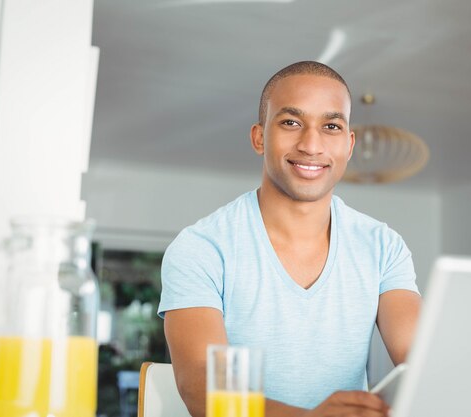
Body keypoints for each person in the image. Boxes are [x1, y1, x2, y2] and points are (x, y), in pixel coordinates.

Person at [158, 61, 421, 417]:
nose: (312, 144)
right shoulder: (202, 248)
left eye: (331, 126)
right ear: (259, 137)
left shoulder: (383, 246)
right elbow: (203, 389)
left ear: (349, 143)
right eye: (291, 122)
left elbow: (421, 364)